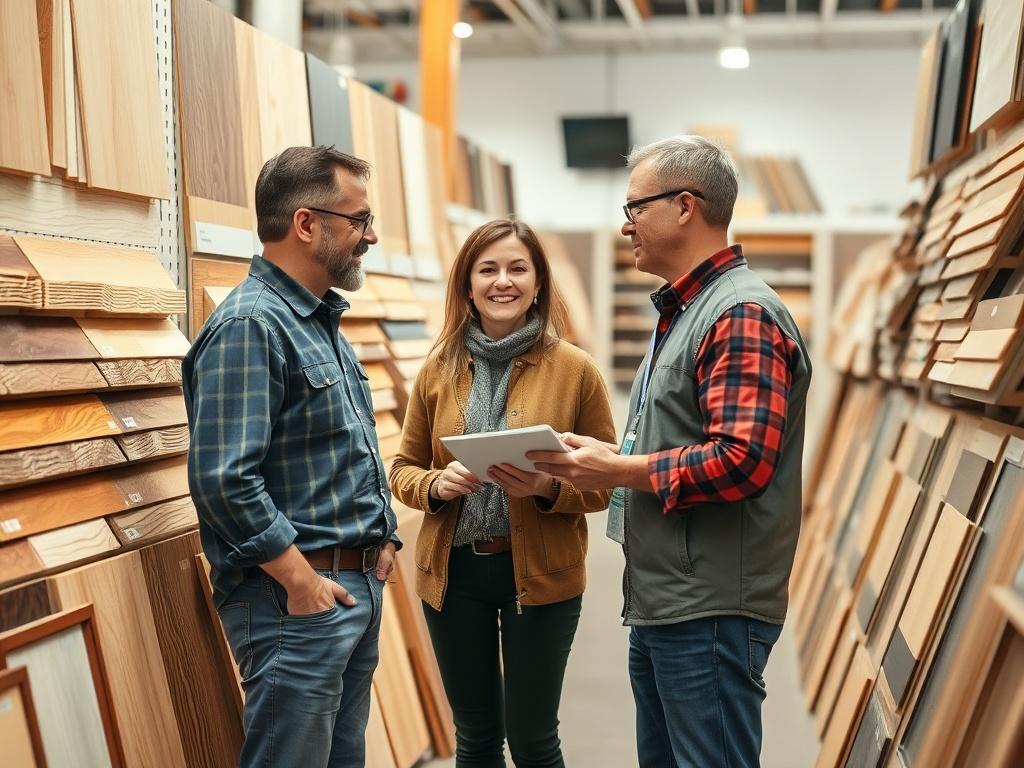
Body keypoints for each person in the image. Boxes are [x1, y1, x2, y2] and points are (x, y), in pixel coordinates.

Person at [530, 136, 812, 768]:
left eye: (635, 207)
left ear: (686, 206)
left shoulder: (739, 314)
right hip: (670, 597)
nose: (625, 224)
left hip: (709, 606)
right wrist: (607, 454)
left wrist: (620, 468)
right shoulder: (688, 311)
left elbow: (742, 460)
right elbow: (686, 437)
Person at [183, 145, 400, 768]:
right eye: (358, 220)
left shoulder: (315, 321)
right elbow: (224, 478)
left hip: (348, 589)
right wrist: (300, 582)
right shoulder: (252, 324)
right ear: (308, 224)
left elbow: (339, 452)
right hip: (294, 602)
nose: (371, 235)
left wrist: (380, 542)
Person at [389, 219, 616, 767]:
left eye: (518, 268)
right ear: (467, 285)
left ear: (539, 282)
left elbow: (607, 478)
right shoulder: (438, 368)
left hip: (540, 576)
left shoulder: (575, 370)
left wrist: (547, 488)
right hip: (455, 576)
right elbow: (401, 468)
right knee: (476, 737)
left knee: (534, 738)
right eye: (487, 269)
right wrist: (435, 485)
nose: (502, 281)